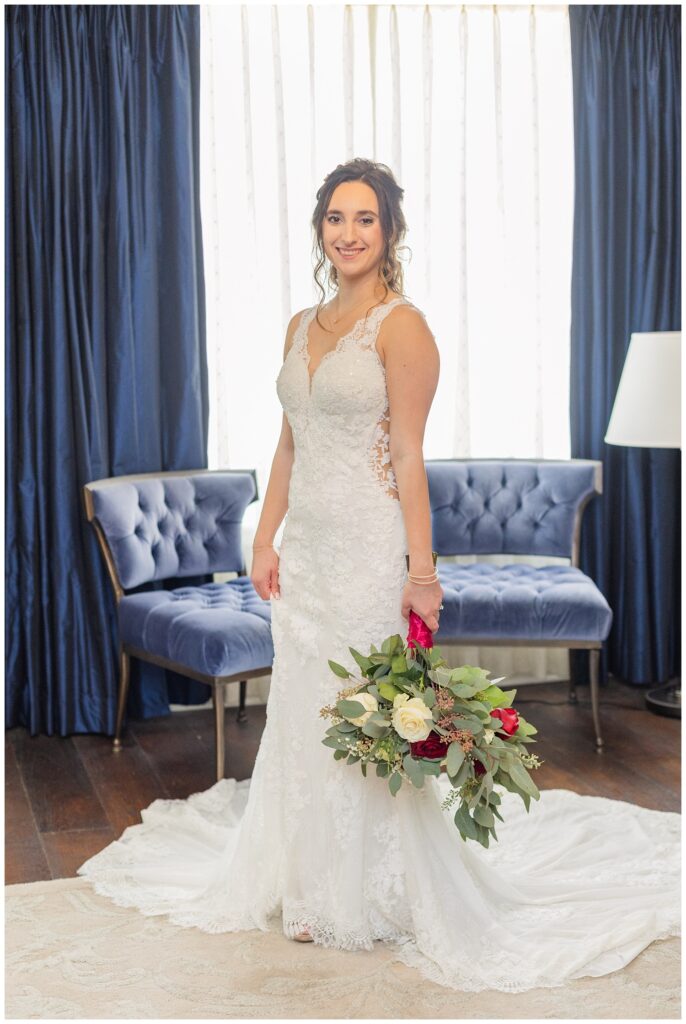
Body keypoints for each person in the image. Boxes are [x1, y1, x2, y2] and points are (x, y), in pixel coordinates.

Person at [77, 158, 680, 993]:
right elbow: (289, 441)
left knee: (357, 711)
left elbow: (406, 454)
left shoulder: (404, 328)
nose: (348, 232)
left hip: (366, 545)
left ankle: (368, 889)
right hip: (309, 551)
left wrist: (421, 573)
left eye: (365, 218)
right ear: (319, 227)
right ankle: (305, 883)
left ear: (389, 231)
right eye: (335, 217)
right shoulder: (301, 322)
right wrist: (266, 536)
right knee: (299, 709)